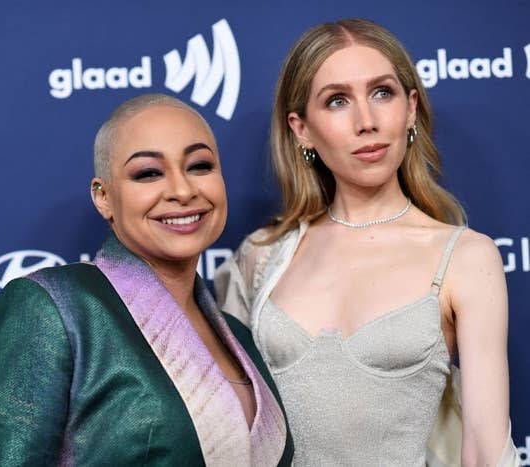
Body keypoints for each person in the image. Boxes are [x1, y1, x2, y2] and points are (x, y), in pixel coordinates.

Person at [215, 19, 519, 466]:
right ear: (301, 129)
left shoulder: (467, 258)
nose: (367, 122)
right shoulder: (262, 255)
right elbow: (226, 430)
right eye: (337, 101)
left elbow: (485, 451)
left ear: (410, 108)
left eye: (383, 92)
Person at [0, 93, 293, 466]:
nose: (183, 191)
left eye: (199, 166)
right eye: (148, 173)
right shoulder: (55, 308)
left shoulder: (238, 336)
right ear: (103, 196)